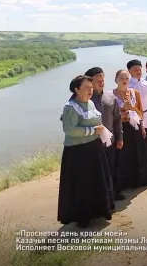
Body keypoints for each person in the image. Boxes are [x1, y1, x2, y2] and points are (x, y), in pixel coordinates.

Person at [58, 75, 114, 228]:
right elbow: (69, 130)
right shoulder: (70, 107)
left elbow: (97, 122)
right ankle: (83, 216)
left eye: (91, 88)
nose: (90, 91)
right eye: (86, 88)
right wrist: (92, 131)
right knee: (83, 184)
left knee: (96, 181)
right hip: (78, 152)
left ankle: (97, 211)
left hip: (94, 149)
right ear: (76, 89)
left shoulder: (89, 103)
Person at [84, 67, 125, 201]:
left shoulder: (110, 96)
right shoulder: (84, 99)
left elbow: (117, 118)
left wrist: (119, 137)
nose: (101, 82)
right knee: (97, 171)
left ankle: (112, 193)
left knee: (111, 167)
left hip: (110, 141)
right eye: (98, 80)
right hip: (93, 142)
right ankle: (99, 198)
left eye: (103, 79)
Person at [113, 70, 147, 190]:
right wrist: (124, 114)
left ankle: (140, 179)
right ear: (116, 79)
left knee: (138, 152)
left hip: (135, 127)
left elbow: (140, 112)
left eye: (126, 78)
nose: (124, 80)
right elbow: (112, 116)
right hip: (121, 128)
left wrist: (142, 126)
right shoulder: (111, 95)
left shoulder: (134, 92)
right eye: (121, 78)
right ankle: (124, 182)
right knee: (123, 155)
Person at [127, 59, 147, 166]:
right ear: (129, 71)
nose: (138, 71)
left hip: (146, 118)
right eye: (135, 70)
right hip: (132, 120)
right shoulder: (127, 86)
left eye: (139, 69)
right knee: (135, 145)